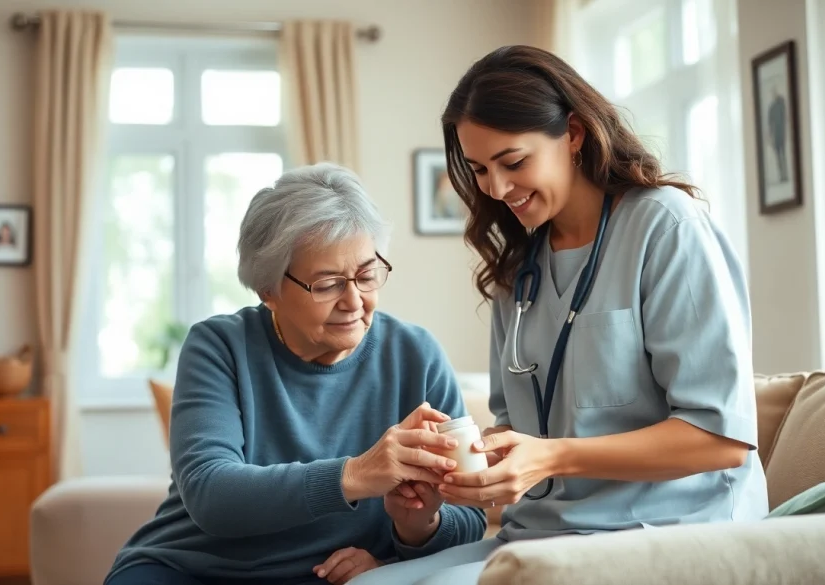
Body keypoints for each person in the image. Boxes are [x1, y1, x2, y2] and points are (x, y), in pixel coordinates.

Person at [349, 44, 768, 585]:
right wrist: (461, 472)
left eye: (513, 162)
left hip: (669, 530)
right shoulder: (519, 265)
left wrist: (551, 458)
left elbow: (722, 440)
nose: (496, 189)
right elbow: (518, 430)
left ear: (573, 134)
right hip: (544, 533)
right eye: (479, 169)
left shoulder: (665, 227)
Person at [103, 163, 487, 585]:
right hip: (193, 568)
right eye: (327, 284)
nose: (354, 301)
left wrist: (414, 530)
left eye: (366, 274)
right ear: (268, 290)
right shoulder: (219, 346)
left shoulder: (416, 355)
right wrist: (356, 474)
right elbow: (210, 493)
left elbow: (469, 513)